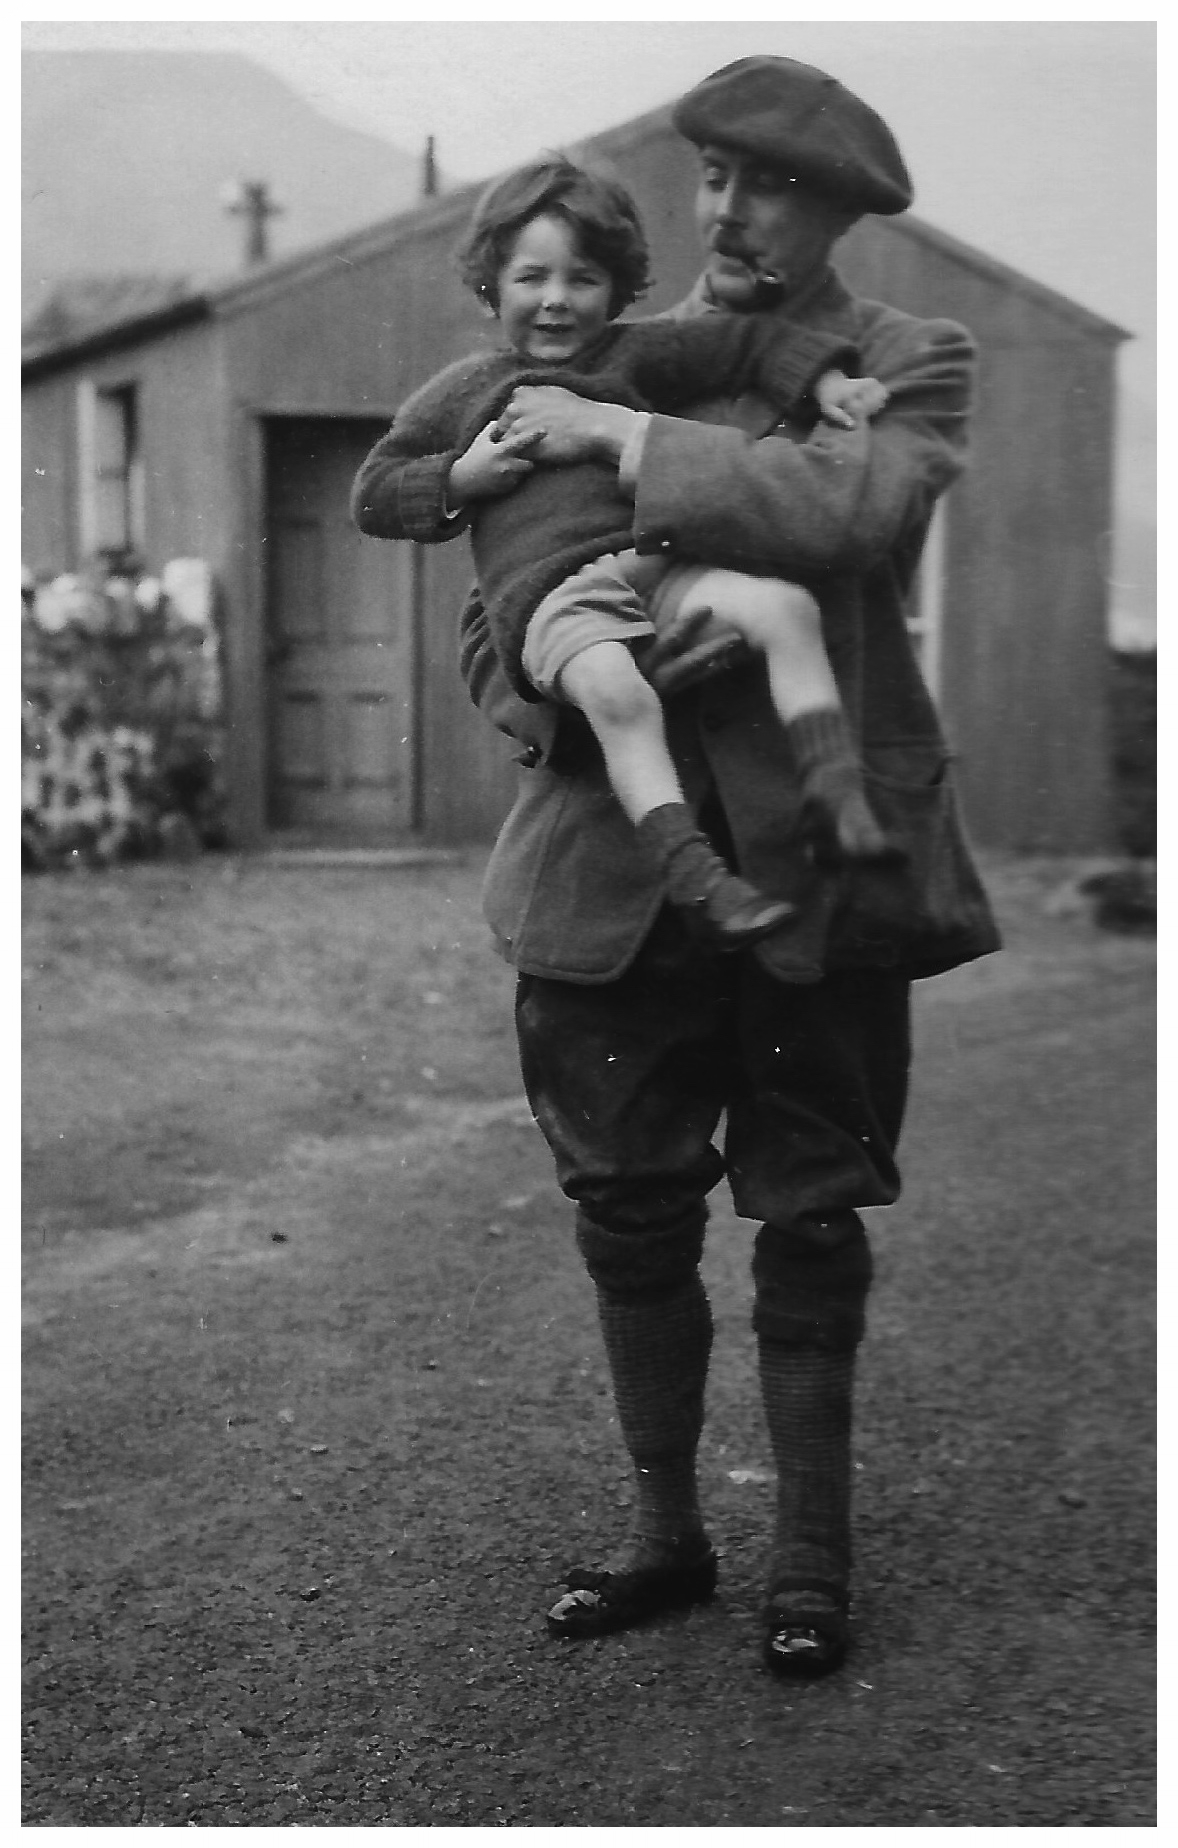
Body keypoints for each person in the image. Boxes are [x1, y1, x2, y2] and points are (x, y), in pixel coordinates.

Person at [456, 54, 1001, 1680]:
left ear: (838, 205)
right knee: (625, 1211)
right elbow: (489, 611)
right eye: (709, 177)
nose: (728, 210)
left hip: (818, 878)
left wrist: (619, 435)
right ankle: (660, 1531)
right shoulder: (582, 336)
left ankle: (810, 1559)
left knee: (811, 1210)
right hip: (597, 864)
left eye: (767, 183)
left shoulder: (907, 356)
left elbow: (848, 509)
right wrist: (556, 668)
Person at [352, 155, 897, 955]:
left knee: (786, 608)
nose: (557, 301)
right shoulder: (467, 389)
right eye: (532, 277)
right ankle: (694, 873)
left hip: (653, 567)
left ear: (618, 286)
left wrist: (827, 387)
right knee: (619, 693)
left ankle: (837, 797)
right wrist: (462, 476)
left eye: (585, 278)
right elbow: (373, 491)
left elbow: (746, 346)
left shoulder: (633, 357)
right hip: (551, 602)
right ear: (493, 286)